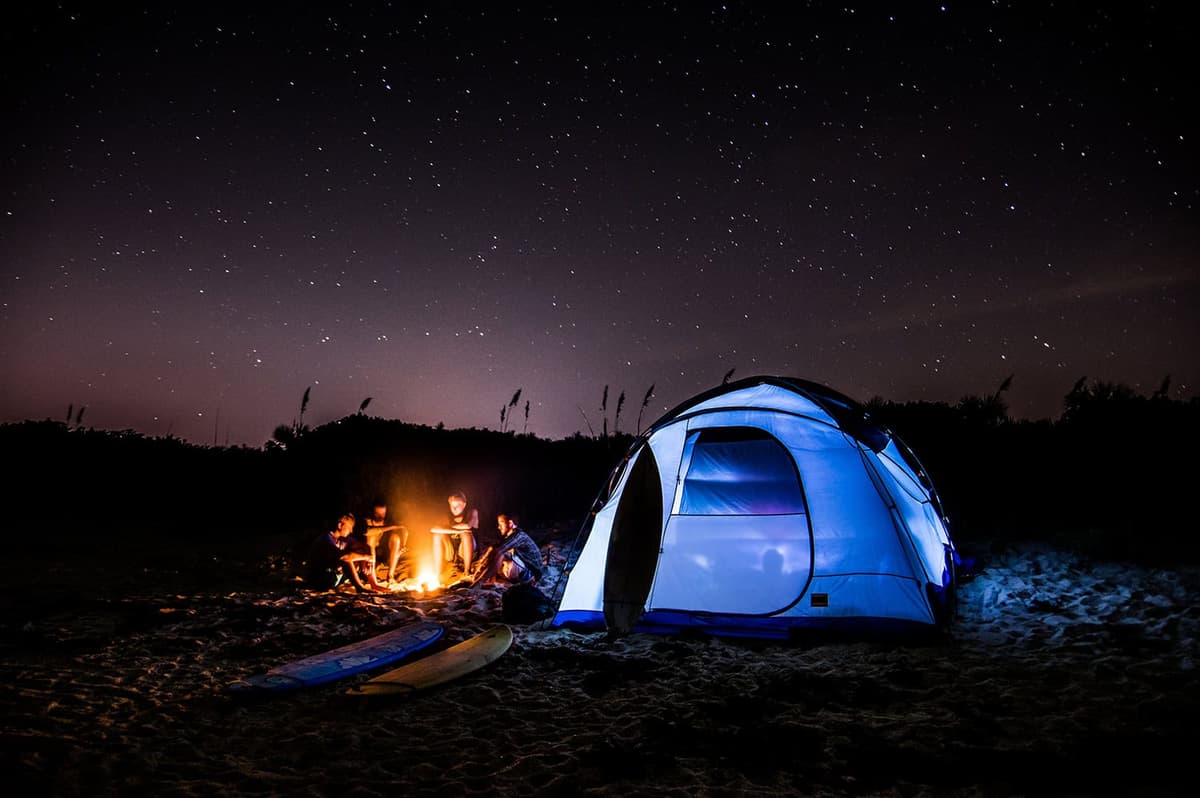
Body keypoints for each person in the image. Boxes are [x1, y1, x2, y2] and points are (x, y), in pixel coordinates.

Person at [482, 514, 544, 585]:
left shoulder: (519, 536)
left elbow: (499, 550)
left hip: (531, 573)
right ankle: (491, 579)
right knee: (496, 552)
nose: (499, 527)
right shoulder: (510, 536)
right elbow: (494, 548)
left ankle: (480, 582)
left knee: (500, 554)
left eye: (501, 524)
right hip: (523, 569)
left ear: (510, 523)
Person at [430, 490, 479, 579]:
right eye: (452, 505)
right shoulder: (446, 514)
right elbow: (433, 529)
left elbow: (467, 525)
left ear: (464, 504)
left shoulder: (472, 512)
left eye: (457, 506)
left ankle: (467, 571)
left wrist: (448, 529)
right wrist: (458, 531)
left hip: (466, 552)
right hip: (451, 552)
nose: (454, 508)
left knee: (466, 535)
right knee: (436, 535)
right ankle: (437, 572)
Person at [302, 513, 358, 590]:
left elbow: (361, 546)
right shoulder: (325, 539)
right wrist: (366, 557)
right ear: (340, 525)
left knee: (357, 555)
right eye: (349, 527)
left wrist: (365, 559)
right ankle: (359, 587)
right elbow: (344, 557)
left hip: (332, 575)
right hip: (319, 580)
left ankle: (372, 584)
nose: (351, 531)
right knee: (347, 558)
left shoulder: (341, 538)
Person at [363, 498, 409, 584]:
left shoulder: (387, 521)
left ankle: (390, 576)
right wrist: (393, 527)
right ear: (373, 513)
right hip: (368, 554)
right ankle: (370, 576)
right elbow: (367, 531)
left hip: (384, 554)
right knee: (371, 537)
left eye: (383, 514)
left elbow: (404, 530)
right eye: (378, 514)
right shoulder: (368, 521)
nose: (381, 517)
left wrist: (403, 545)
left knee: (396, 538)